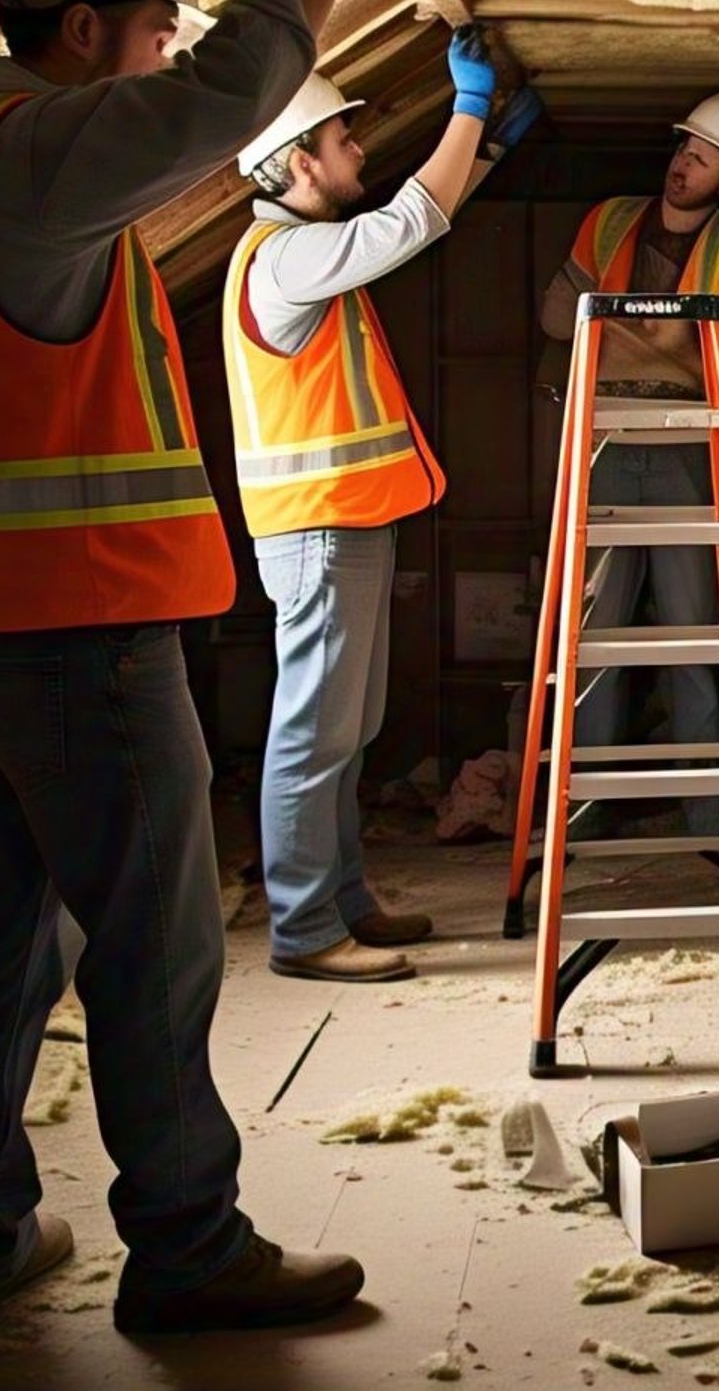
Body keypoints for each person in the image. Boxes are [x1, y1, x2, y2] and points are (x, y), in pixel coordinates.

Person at [0, 0, 405, 1340]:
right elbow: (230, 88)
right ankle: (186, 1250)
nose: (167, 52)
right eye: (155, 25)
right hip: (80, 639)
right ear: (91, 25)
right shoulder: (37, 159)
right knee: (156, 956)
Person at [224, 50, 542, 982]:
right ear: (298, 163)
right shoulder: (285, 257)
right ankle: (304, 932)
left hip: (342, 526)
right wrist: (468, 110)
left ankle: (345, 902)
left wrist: (482, 152)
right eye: (342, 139)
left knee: (347, 733)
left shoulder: (301, 251)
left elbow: (406, 224)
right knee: (312, 736)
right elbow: (410, 222)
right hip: (317, 529)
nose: (358, 149)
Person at [540, 95, 719, 827]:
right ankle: (581, 814)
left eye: (704, 158)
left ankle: (710, 819)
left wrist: (616, 325)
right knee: (595, 639)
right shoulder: (611, 218)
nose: (684, 165)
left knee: (695, 636)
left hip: (687, 448)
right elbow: (556, 317)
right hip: (605, 442)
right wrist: (681, 337)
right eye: (684, 149)